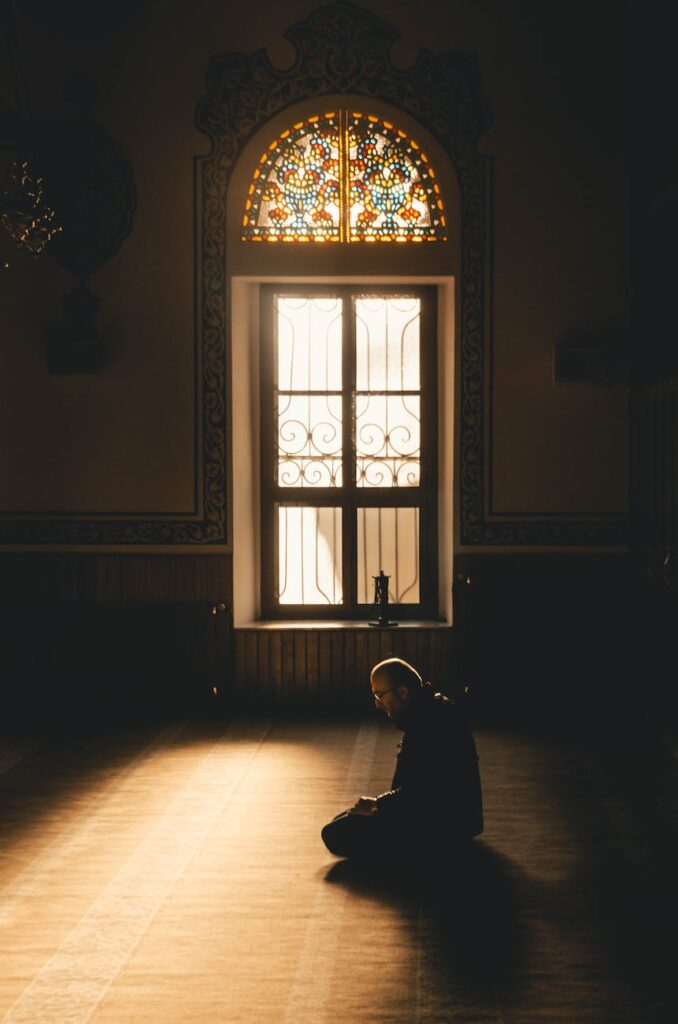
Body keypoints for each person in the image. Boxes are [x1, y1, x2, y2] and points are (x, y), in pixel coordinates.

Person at [321, 657, 483, 860]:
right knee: (345, 818)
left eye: (380, 695)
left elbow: (425, 793)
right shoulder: (432, 709)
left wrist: (377, 804)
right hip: (454, 816)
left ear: (403, 692)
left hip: (447, 824)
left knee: (335, 833)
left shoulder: (430, 724)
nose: (378, 704)